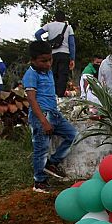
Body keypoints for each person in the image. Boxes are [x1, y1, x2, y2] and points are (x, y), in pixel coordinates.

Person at [23, 41, 78, 193]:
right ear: (33, 60)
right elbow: (32, 100)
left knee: (73, 135)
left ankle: (51, 163)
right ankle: (39, 182)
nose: (48, 64)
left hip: (54, 113)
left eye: (50, 60)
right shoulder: (31, 75)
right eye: (43, 61)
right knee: (41, 149)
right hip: (41, 116)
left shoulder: (47, 71)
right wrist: (43, 121)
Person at [35, 10, 75, 98]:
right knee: (62, 75)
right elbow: (71, 44)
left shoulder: (49, 25)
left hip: (52, 54)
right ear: (64, 18)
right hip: (65, 54)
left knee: (52, 74)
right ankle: (60, 95)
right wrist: (72, 58)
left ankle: (52, 94)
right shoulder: (68, 27)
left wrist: (44, 45)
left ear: (55, 17)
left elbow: (37, 34)